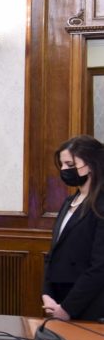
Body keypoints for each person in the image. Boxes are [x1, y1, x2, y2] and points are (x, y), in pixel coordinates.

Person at [42, 135, 104, 321]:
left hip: (89, 304)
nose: (64, 170)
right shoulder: (69, 201)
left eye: (69, 165)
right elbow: (53, 253)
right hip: (58, 298)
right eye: (61, 165)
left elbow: (100, 266)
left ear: (91, 165)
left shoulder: (101, 205)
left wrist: (68, 308)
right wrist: (47, 294)